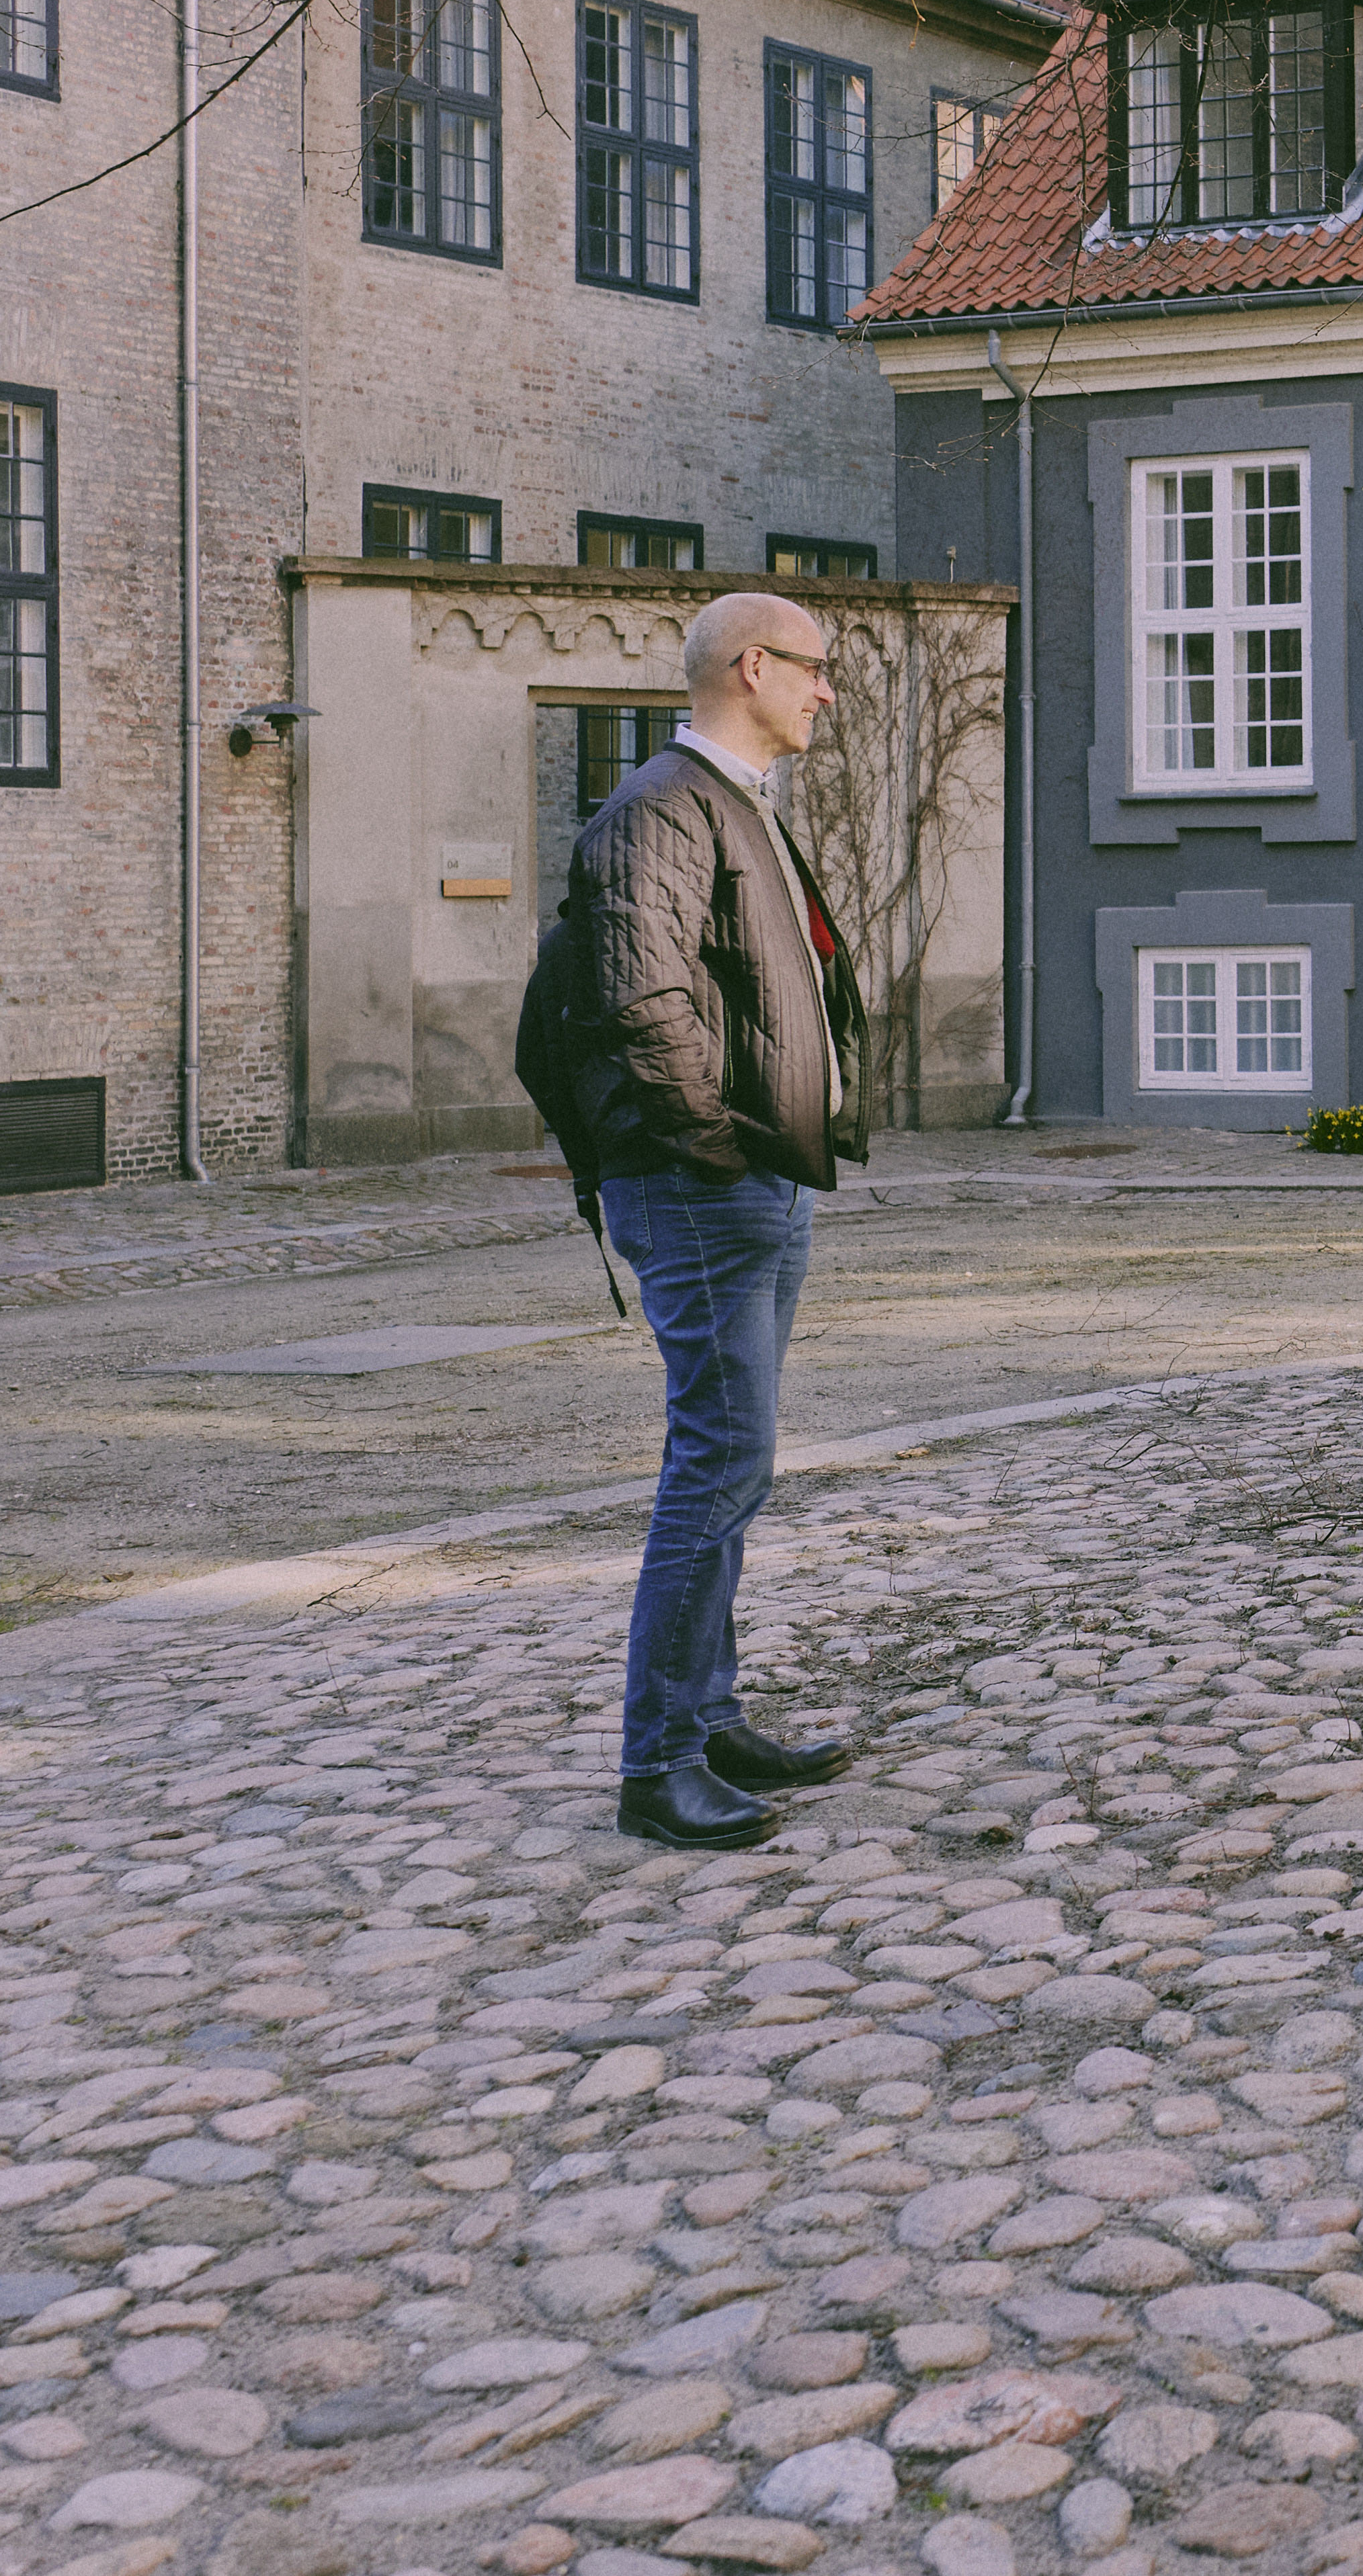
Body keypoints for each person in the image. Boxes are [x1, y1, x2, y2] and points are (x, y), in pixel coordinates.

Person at [512, 588, 871, 1850]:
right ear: (752, 666)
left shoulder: (730, 803)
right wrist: (720, 1152)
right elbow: (641, 1004)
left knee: (733, 1458)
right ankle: (657, 1761)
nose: (827, 690)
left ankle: (708, 1718)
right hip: (705, 1185)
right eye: (815, 667)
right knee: (719, 1459)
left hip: (759, 1179)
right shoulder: (660, 809)